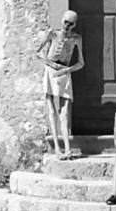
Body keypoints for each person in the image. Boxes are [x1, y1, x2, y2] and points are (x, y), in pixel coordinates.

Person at [35, 9, 84, 158]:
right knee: (51, 109)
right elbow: (38, 52)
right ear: (62, 20)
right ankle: (57, 148)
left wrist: (67, 69)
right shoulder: (53, 34)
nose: (67, 26)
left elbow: (81, 63)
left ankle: (67, 148)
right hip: (51, 71)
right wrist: (50, 63)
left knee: (64, 112)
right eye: (65, 22)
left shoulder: (76, 38)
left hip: (64, 72)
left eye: (71, 24)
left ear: (74, 25)